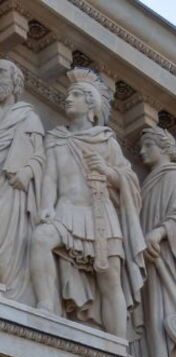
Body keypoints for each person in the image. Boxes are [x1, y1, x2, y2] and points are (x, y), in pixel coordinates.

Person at [29, 68, 145, 339]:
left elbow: (128, 180)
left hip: (100, 214)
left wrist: (107, 171)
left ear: (91, 104)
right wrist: (46, 206)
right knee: (41, 238)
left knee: (110, 277)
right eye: (69, 94)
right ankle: (45, 307)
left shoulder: (106, 141)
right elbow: (50, 177)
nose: (69, 99)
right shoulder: (57, 138)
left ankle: (118, 344)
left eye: (77, 95)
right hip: (66, 211)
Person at [0, 59, 43, 302]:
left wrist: (27, 172)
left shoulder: (28, 117)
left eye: (1, 72)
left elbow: (39, 156)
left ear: (15, 82)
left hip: (15, 189)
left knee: (15, 244)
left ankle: (13, 298)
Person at [139, 126, 176, 357]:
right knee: (152, 303)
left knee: (164, 301)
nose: (142, 152)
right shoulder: (149, 182)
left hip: (166, 252)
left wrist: (160, 232)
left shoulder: (173, 176)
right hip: (148, 254)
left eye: (148, 146)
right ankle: (157, 354)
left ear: (164, 148)